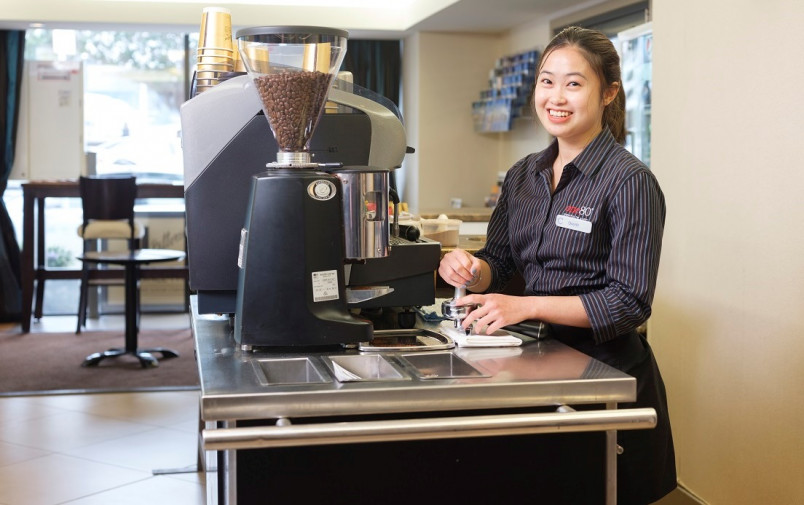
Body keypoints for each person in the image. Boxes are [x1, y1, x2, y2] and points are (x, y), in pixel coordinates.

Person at [438, 26, 677, 504]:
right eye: (547, 81)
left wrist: (524, 307)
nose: (556, 97)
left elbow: (627, 303)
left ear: (608, 92)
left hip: (603, 375)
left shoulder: (630, 182)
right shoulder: (523, 174)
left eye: (574, 83)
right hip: (533, 366)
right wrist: (469, 270)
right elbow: (501, 263)